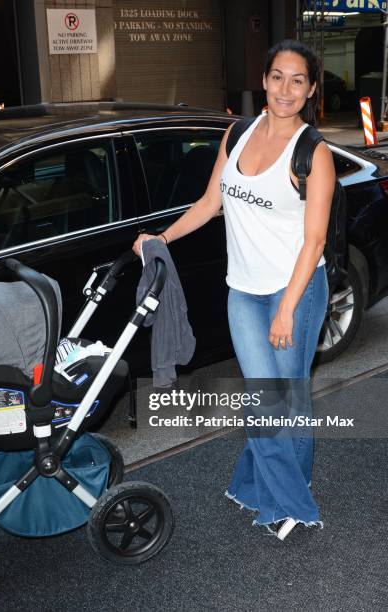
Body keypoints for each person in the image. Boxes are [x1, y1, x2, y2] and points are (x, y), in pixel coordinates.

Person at [133, 39, 334, 540]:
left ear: (309, 90)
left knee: (288, 398)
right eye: (277, 77)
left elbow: (315, 241)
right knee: (266, 399)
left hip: (297, 292)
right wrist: (162, 237)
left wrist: (287, 309)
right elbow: (209, 203)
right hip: (243, 292)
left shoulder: (313, 152)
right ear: (263, 81)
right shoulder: (238, 134)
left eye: (297, 80)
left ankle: (288, 490)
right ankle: (286, 495)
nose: (286, 89)